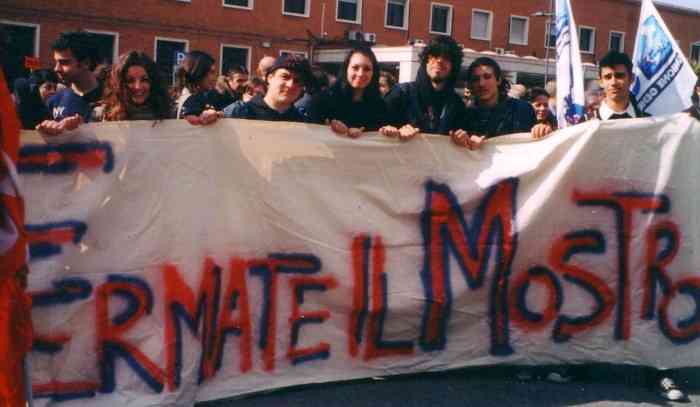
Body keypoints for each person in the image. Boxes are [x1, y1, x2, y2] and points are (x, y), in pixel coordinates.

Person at [382, 35, 467, 141]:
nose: (439, 60)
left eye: (446, 58)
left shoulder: (456, 105)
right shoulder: (401, 94)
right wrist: (392, 130)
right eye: (435, 55)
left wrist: (463, 138)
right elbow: (375, 130)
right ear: (425, 61)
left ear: (453, 66)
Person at [456, 57, 545, 150]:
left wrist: (542, 131)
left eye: (487, 77)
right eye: (475, 79)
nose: (481, 83)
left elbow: (536, 147)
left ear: (498, 80)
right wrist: (464, 141)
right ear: (471, 84)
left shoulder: (522, 110)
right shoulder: (463, 116)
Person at [307, 46, 388, 138]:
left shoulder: (380, 107)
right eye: (355, 67)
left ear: (374, 73)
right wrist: (331, 130)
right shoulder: (322, 101)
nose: (360, 74)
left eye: (367, 69)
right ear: (346, 69)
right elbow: (311, 136)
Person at [36, 31, 103, 137]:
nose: (56, 69)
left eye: (64, 62)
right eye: (56, 62)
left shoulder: (112, 98)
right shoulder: (53, 102)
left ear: (85, 63)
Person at [225, 54, 311, 122]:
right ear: (269, 78)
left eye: (298, 80)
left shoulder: (303, 122)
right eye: (285, 77)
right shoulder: (238, 113)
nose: (290, 85)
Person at [93, 51, 171, 121]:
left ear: (154, 82)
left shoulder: (168, 113)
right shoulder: (102, 114)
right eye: (130, 81)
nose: (138, 87)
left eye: (144, 80)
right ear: (119, 83)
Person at [592, 51, 649, 120]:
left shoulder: (648, 123)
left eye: (619, 76)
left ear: (631, 79)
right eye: (608, 77)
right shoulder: (586, 124)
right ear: (600, 82)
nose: (613, 82)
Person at [173, 50, 220, 125]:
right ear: (199, 72)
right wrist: (215, 116)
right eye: (211, 72)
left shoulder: (182, 94)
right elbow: (193, 122)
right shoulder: (192, 98)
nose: (214, 78)